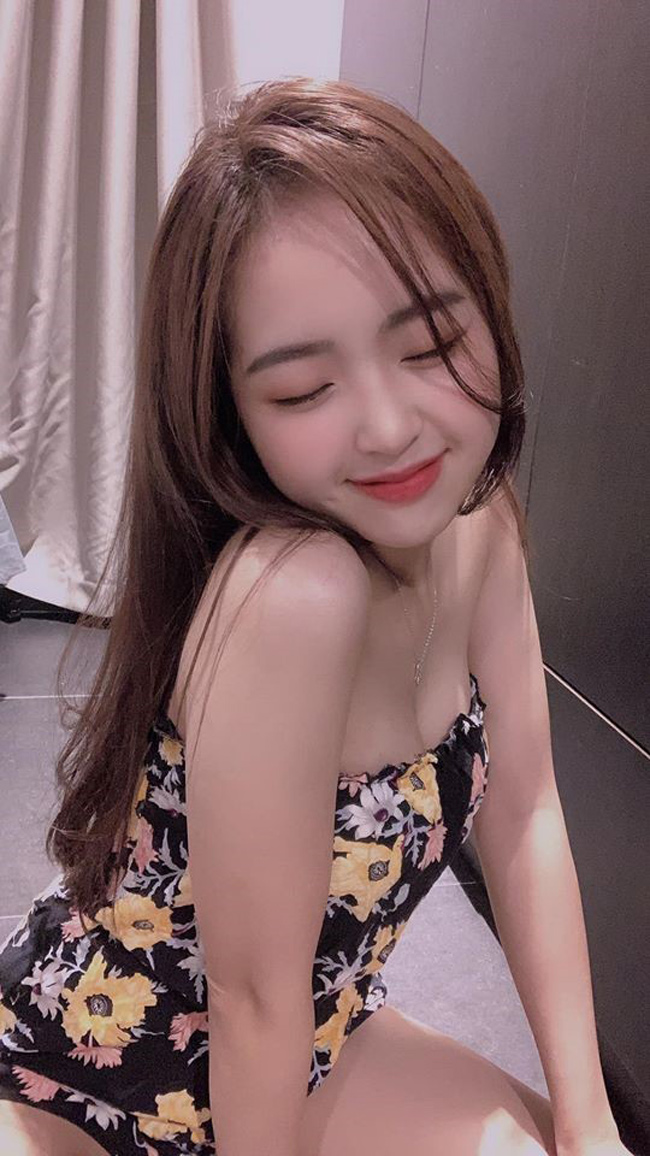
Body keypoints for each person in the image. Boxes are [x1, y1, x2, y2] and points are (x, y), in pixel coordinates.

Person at [0, 77, 627, 1156]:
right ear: (231, 416)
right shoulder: (295, 594)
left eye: (429, 344)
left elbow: (525, 816)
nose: (388, 427)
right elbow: (247, 999)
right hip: (93, 1074)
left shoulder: (478, 522)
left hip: (313, 1039)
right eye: (301, 392)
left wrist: (590, 1123)